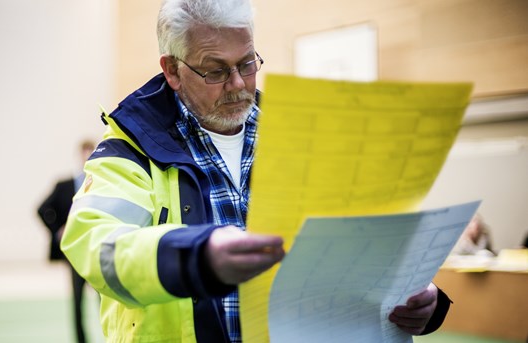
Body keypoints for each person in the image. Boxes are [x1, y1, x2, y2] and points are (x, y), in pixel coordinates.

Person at [61, 0, 452, 341]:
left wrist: (419, 295)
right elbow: (97, 246)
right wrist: (198, 258)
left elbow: (368, 238)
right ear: (173, 71)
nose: (237, 85)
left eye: (247, 63)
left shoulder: (306, 137)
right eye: (214, 70)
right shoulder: (129, 150)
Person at [38, 139, 96, 343]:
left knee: (106, 299)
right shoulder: (64, 185)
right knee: (77, 301)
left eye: (91, 151)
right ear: (79, 155)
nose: (87, 156)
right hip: (74, 252)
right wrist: (57, 230)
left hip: (97, 249)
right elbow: (41, 209)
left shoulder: (102, 182)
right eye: (85, 152)